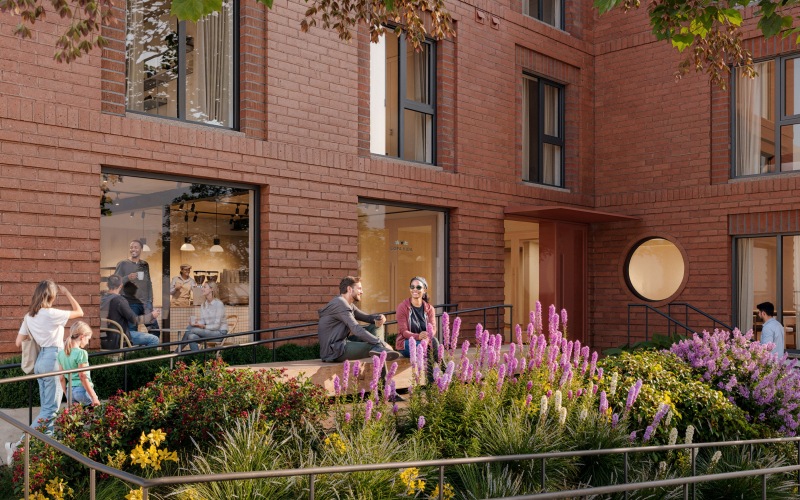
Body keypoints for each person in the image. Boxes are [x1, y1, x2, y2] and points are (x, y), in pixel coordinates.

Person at [6, 280, 83, 464]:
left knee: (47, 410)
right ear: (52, 295)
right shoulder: (51, 313)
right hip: (53, 359)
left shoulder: (29, 316)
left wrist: (37, 333)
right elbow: (80, 312)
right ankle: (16, 447)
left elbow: (19, 342)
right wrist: (67, 293)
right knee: (51, 410)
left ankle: (45, 454)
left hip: (40, 361)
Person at [318, 276, 400, 362]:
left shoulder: (348, 304)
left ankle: (379, 351)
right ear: (349, 289)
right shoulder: (340, 304)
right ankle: (380, 353)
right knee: (373, 347)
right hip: (334, 351)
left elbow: (367, 318)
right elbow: (356, 328)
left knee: (376, 326)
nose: (362, 292)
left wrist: (380, 317)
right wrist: (382, 343)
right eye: (359, 289)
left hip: (342, 343)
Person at [396, 276, 440, 382]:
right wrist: (418, 336)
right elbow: (403, 331)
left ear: (424, 289)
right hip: (406, 343)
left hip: (424, 341)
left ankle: (432, 380)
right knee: (425, 347)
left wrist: (426, 337)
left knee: (433, 340)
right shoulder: (402, 307)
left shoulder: (430, 309)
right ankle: (438, 374)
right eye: (412, 287)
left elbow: (433, 328)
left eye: (418, 287)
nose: (415, 289)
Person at [101, 274, 160, 347]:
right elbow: (135, 320)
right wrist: (151, 315)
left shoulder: (101, 299)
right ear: (121, 285)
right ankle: (139, 358)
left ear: (107, 284)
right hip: (119, 337)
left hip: (103, 338)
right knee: (154, 339)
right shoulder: (120, 300)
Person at [114, 239, 159, 332]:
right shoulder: (123, 264)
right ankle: (135, 347)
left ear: (141, 249)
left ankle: (148, 346)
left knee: (154, 329)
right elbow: (115, 282)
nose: (133, 249)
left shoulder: (144, 264)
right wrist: (127, 277)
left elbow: (148, 283)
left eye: (135, 247)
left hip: (145, 303)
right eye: (131, 247)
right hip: (131, 303)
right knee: (132, 330)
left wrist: (150, 300)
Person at [57, 321, 100, 406]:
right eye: (88, 339)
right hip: (82, 390)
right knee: (99, 414)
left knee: (78, 417)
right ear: (82, 337)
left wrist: (67, 394)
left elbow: (61, 378)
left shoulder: (61, 354)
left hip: (70, 391)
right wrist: (94, 397)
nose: (87, 342)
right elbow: (82, 376)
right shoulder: (81, 353)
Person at [181, 282, 228, 351]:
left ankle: (177, 352)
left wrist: (203, 326)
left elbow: (216, 326)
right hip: (208, 332)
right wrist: (196, 323)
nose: (202, 289)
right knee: (191, 336)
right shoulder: (203, 305)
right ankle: (198, 360)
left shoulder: (218, 304)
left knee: (190, 329)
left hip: (219, 333)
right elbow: (203, 321)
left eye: (204, 287)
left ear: (211, 289)